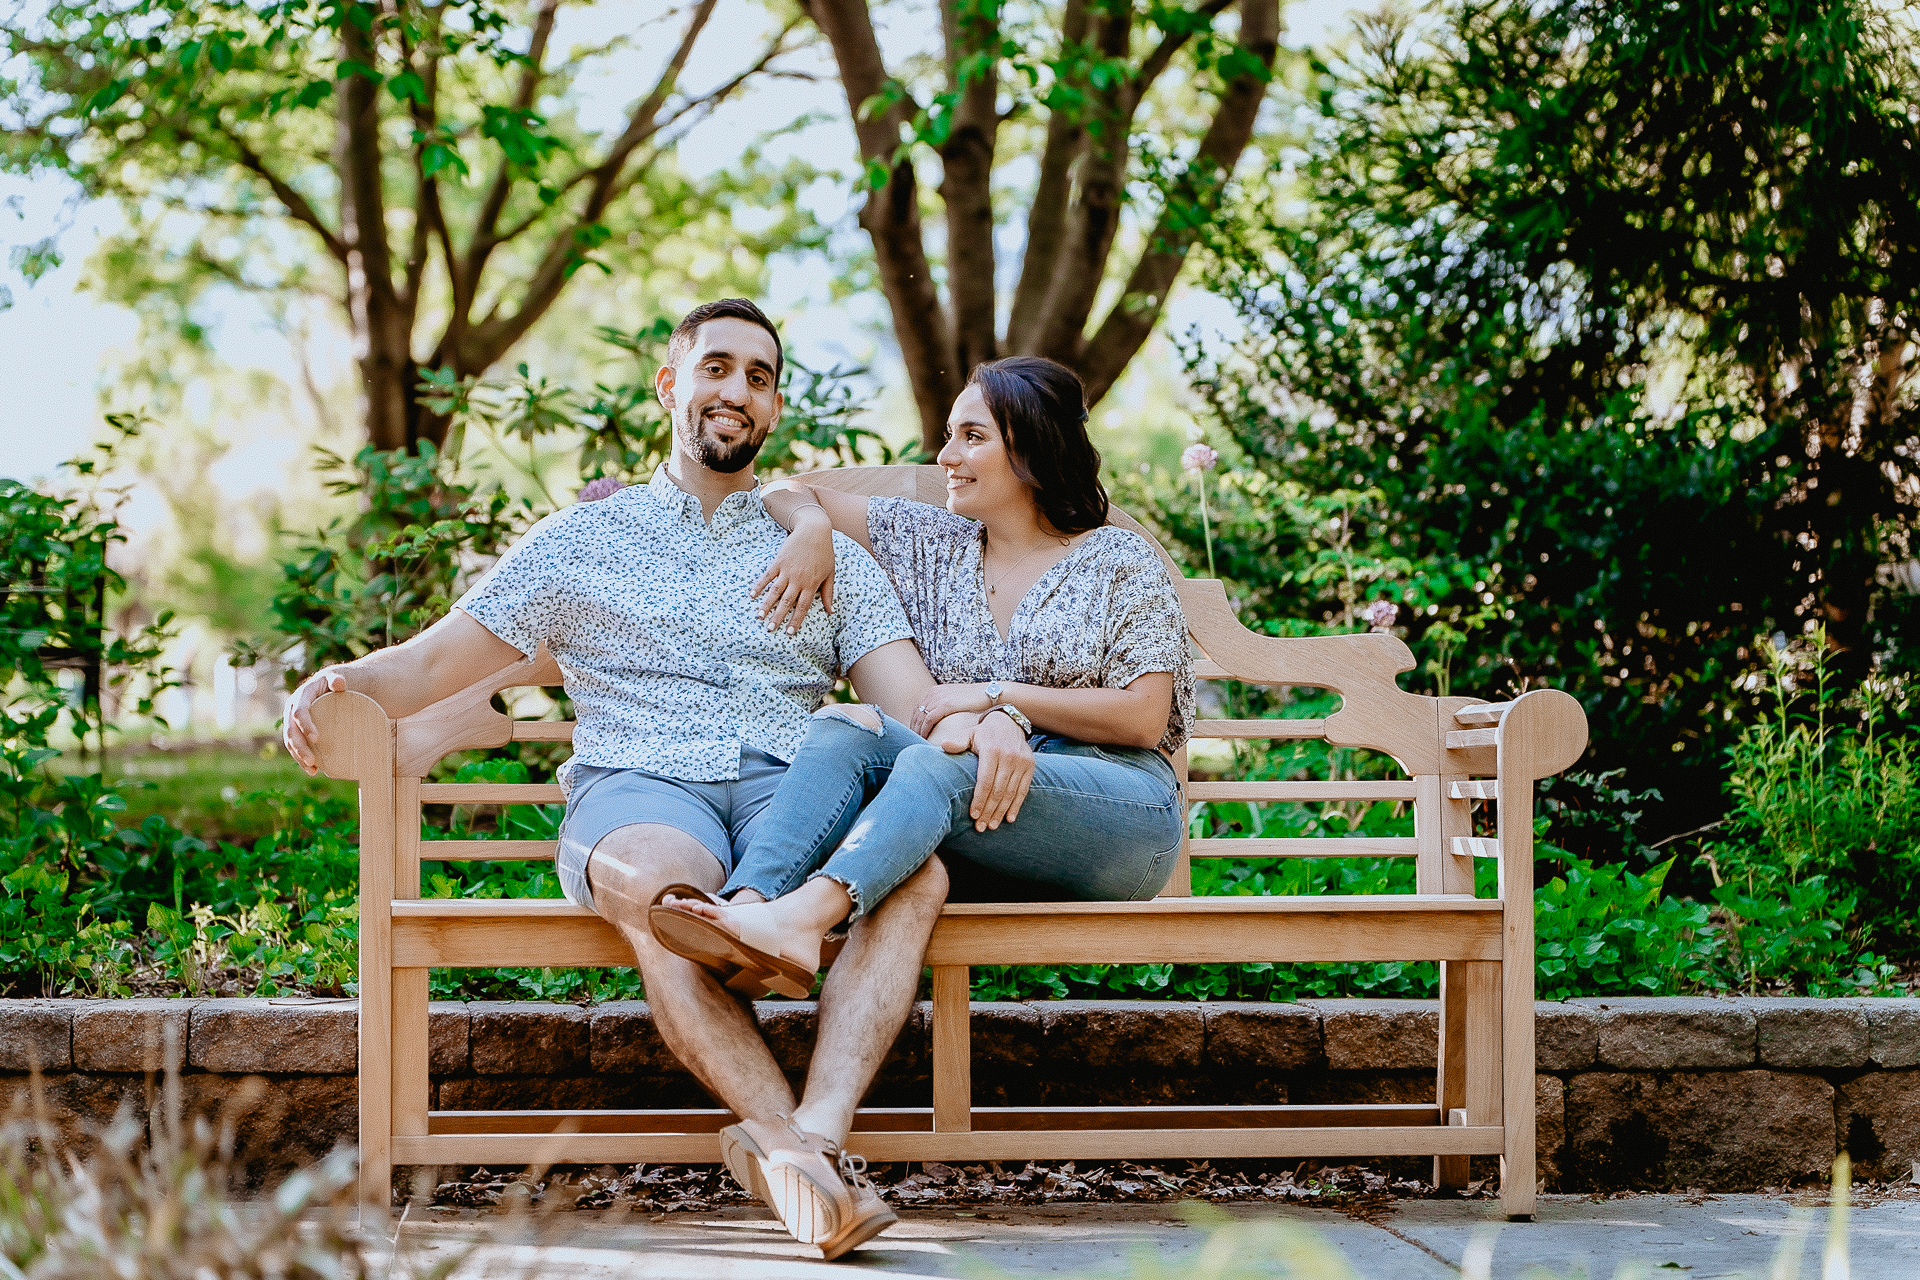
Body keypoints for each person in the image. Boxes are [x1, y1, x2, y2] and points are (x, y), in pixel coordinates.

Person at [279, 299, 977, 1260]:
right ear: (671, 385)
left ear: (774, 413)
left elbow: (914, 701)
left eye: (759, 378)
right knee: (661, 895)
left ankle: (809, 1138)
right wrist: (338, 679)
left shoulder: (827, 556)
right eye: (718, 368)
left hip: (793, 788)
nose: (737, 391)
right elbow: (433, 664)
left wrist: (999, 722)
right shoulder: (578, 543)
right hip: (641, 784)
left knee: (916, 874)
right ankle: (805, 1167)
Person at [651, 356, 1195, 1007]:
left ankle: (803, 920)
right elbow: (783, 488)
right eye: (949, 435)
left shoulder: (1115, 558)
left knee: (937, 763)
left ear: (1033, 447)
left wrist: (1001, 700)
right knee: (844, 730)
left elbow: (1142, 716)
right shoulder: (936, 543)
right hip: (995, 810)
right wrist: (813, 526)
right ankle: (746, 912)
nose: (946, 455)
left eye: (972, 436)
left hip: (1121, 815)